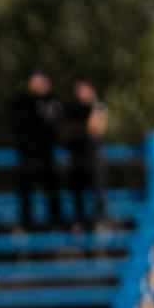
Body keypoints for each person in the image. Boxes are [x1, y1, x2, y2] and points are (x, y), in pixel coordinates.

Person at [8, 71, 63, 230]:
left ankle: (55, 224)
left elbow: (57, 126)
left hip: (47, 154)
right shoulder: (23, 102)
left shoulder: (53, 102)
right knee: (26, 191)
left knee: (52, 190)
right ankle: (27, 225)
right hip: (28, 155)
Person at [60, 79, 109, 228]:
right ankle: (79, 223)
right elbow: (65, 132)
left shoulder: (98, 107)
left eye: (84, 89)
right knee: (77, 194)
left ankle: (100, 222)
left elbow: (95, 129)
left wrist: (82, 126)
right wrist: (82, 128)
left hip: (93, 157)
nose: (80, 93)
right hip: (77, 158)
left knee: (98, 192)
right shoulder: (70, 109)